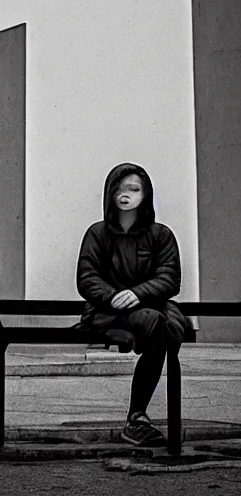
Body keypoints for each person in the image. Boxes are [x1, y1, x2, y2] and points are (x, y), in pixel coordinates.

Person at [76, 162, 191, 446]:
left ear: (145, 195)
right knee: (156, 322)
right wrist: (111, 295)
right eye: (119, 188)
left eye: (134, 188)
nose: (125, 194)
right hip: (106, 313)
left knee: (162, 324)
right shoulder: (97, 233)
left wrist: (138, 294)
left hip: (148, 309)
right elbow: (87, 276)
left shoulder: (160, 235)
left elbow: (169, 277)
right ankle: (137, 417)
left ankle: (136, 416)